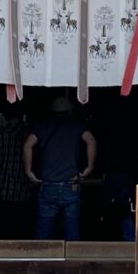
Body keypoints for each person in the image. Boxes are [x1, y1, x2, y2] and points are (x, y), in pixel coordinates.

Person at [24, 92, 97, 242]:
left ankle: (40, 264)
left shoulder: (43, 126)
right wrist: (89, 168)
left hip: (48, 185)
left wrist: (29, 171)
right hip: (71, 185)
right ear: (70, 110)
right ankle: (72, 264)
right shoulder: (76, 126)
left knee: (42, 237)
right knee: (72, 237)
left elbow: (27, 145)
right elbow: (90, 139)